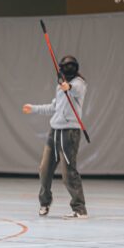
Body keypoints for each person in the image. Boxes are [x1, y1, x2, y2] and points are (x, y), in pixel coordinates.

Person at [23, 54, 88, 219]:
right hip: (55, 131)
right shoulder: (60, 87)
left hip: (69, 133)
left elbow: (75, 90)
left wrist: (69, 88)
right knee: (44, 169)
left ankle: (79, 208)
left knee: (68, 173)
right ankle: (45, 202)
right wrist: (34, 108)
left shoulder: (79, 84)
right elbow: (54, 107)